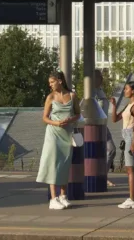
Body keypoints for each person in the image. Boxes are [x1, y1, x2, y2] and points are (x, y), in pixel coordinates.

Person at [36, 71, 81, 210]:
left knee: (64, 163)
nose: (50, 85)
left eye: (52, 82)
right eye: (49, 83)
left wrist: (70, 120)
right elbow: (44, 117)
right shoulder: (50, 97)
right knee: (53, 162)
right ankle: (53, 198)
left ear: (60, 81)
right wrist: (56, 123)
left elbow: (78, 114)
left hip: (66, 134)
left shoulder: (72, 96)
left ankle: (63, 196)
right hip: (53, 133)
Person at [110, 80, 134, 210]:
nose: (125, 91)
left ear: (133, 91)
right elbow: (114, 119)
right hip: (127, 136)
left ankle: (131, 199)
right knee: (131, 170)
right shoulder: (128, 105)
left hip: (131, 136)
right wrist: (114, 105)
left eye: (126, 89)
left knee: (130, 169)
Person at [93, 69, 116, 187]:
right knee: (100, 152)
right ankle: (100, 176)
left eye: (101, 77)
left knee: (111, 150)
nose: (101, 79)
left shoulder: (100, 91)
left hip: (104, 126)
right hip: (95, 127)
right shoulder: (92, 93)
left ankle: (103, 176)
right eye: (98, 77)